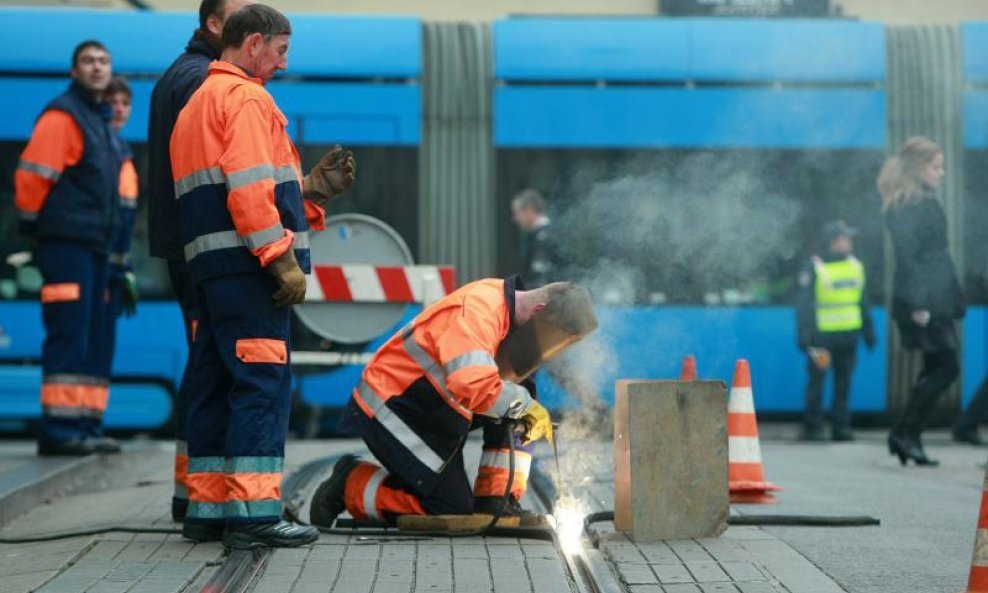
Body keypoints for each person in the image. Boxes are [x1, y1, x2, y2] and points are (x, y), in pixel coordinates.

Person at [170, 4, 354, 548]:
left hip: (210, 271)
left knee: (213, 381)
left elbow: (233, 190)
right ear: (252, 44)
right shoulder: (247, 98)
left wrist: (309, 195)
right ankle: (253, 515)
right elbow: (250, 193)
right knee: (261, 384)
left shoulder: (197, 104)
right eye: (280, 51)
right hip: (249, 273)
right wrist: (281, 259)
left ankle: (207, 509)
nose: (282, 63)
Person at [308, 278, 582, 528]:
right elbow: (471, 383)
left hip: (434, 407)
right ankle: (349, 484)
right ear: (538, 313)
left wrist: (526, 407)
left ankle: (497, 501)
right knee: (449, 509)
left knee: (521, 396)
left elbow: (500, 393)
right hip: (395, 406)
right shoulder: (478, 311)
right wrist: (525, 408)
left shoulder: (511, 321)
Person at [147, 0, 253, 524]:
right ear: (215, 25)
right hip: (207, 251)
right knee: (215, 370)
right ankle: (204, 497)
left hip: (189, 248)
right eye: (243, 19)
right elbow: (225, 173)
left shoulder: (184, 74)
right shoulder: (204, 83)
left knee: (206, 366)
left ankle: (196, 494)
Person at [14, 40, 124, 456]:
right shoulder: (65, 116)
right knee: (69, 336)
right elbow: (32, 177)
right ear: (74, 70)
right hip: (66, 245)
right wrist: (34, 227)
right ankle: (60, 432)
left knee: (89, 337)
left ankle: (83, 426)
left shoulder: (95, 119)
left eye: (103, 61)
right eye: (88, 61)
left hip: (89, 246)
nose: (96, 67)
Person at [879, 136, 965, 466]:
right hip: (924, 299)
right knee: (947, 366)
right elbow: (908, 258)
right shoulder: (909, 207)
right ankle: (904, 433)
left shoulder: (917, 202)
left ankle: (908, 436)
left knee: (936, 366)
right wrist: (918, 303)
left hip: (934, 297)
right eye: (935, 167)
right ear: (918, 168)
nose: (940, 173)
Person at [795, 220, 876, 442]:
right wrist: (804, 334)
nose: (849, 242)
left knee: (843, 385)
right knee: (817, 383)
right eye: (844, 238)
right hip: (821, 338)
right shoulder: (815, 267)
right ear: (832, 242)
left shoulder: (855, 266)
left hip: (848, 337)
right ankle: (813, 426)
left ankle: (841, 427)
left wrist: (868, 331)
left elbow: (863, 301)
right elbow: (803, 305)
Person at [511, 189, 559, 287]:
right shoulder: (547, 233)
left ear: (529, 210)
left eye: (517, 213)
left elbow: (540, 280)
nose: (515, 218)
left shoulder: (542, 238)